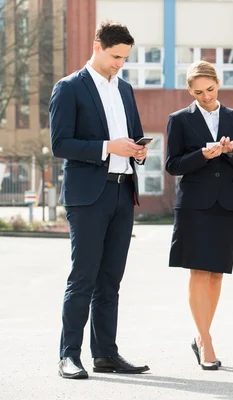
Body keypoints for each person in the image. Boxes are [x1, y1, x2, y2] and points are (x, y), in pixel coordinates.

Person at [49, 21, 150, 379]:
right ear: (97, 45)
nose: (120, 63)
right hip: (88, 195)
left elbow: (133, 134)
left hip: (123, 191)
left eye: (125, 57)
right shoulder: (69, 88)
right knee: (84, 276)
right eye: (115, 56)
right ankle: (68, 355)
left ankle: (106, 354)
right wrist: (108, 147)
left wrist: (137, 150)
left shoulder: (124, 89)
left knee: (111, 279)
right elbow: (60, 144)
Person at [166, 60, 233, 371]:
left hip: (225, 203)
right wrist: (202, 155)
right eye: (198, 92)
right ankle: (206, 341)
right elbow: (172, 165)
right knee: (198, 273)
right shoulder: (179, 120)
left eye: (211, 89)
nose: (206, 96)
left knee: (216, 274)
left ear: (218, 84)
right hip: (193, 204)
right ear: (189, 91)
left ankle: (200, 335)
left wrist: (230, 152)